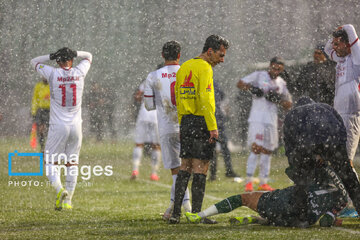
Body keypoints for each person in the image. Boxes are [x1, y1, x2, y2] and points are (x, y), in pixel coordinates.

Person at [186, 97, 360, 227]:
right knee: (349, 178)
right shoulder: (324, 108)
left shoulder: (294, 115)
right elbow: (341, 128)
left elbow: (292, 153)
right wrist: (336, 154)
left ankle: (298, 218)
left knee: (298, 184)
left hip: (301, 200)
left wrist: (299, 166)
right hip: (332, 139)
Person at [169, 34, 230, 224]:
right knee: (201, 168)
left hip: (186, 121)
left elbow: (178, 99)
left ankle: (175, 214)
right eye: (220, 55)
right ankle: (196, 214)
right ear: (210, 51)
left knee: (184, 167)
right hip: (202, 121)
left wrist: (181, 123)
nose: (222, 60)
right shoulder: (205, 68)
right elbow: (204, 99)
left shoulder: (184, 67)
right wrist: (212, 127)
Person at [30, 47, 92, 210]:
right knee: (72, 163)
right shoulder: (80, 71)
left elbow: (33, 61)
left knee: (50, 161)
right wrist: (76, 54)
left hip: (58, 126)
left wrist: (50, 56)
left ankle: (60, 190)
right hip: (76, 126)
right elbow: (89, 56)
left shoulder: (52, 73)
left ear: (57, 61)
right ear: (71, 60)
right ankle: (68, 200)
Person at [144, 40, 191, 220]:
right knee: (187, 168)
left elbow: (148, 105)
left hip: (166, 126)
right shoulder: (188, 71)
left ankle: (183, 207)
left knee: (176, 171)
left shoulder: (154, 76)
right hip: (187, 125)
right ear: (180, 55)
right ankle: (178, 207)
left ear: (163, 55)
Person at [237, 57, 292, 192]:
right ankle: (249, 181)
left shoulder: (281, 82)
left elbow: (288, 103)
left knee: (268, 150)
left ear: (282, 70)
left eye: (279, 69)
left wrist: (278, 99)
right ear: (270, 66)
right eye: (274, 67)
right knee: (256, 148)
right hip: (257, 118)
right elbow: (240, 83)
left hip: (271, 120)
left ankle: (263, 182)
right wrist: (252, 88)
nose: (276, 70)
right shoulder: (259, 75)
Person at [324, 24, 360, 217]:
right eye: (335, 44)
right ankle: (347, 201)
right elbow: (326, 49)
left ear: (349, 44)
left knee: (346, 162)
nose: (335, 47)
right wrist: (334, 35)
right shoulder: (340, 59)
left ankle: (353, 203)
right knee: (338, 161)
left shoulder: (356, 59)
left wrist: (346, 27)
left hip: (352, 116)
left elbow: (353, 36)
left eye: (339, 43)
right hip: (338, 116)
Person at [130, 79, 161, 181]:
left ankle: (135, 170)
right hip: (156, 115)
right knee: (156, 145)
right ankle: (154, 173)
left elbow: (137, 96)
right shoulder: (166, 80)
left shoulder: (147, 81)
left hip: (143, 114)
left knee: (139, 144)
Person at [209, 81, 240, 180]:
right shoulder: (213, 83)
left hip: (214, 119)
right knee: (219, 147)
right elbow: (222, 97)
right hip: (214, 119)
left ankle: (217, 173)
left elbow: (221, 97)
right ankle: (223, 171)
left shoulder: (210, 83)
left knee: (217, 147)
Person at [31, 77, 50, 152]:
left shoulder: (52, 85)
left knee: (50, 129)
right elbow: (35, 99)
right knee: (41, 129)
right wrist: (33, 111)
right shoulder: (38, 86)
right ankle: (42, 147)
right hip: (41, 110)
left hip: (50, 110)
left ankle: (50, 146)